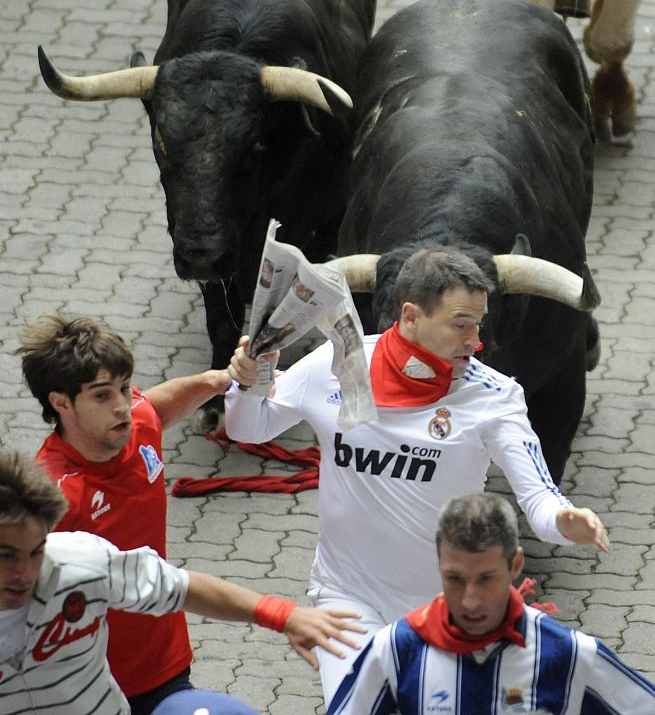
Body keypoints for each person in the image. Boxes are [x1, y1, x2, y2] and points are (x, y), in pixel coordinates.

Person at [224, 246, 610, 704]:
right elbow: (248, 428)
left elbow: (539, 498)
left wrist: (565, 521)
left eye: (478, 325)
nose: (475, 341)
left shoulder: (496, 396)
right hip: (347, 599)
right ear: (411, 316)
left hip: (451, 609)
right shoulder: (333, 365)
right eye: (460, 324)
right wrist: (246, 384)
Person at [15, 312, 363, 714]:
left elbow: (156, 409)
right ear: (61, 403)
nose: (122, 407)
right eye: (101, 395)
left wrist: (223, 379)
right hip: (83, 688)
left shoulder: (134, 423)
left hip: (162, 672)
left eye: (125, 388)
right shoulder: (52, 498)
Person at [0, 449, 365, 715]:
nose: (26, 573)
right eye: (7, 556)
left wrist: (282, 614)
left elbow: (181, 587)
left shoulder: (80, 562)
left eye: (36, 551)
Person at [327, 492, 655, 714]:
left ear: (515, 566)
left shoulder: (568, 655)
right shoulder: (398, 649)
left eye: (486, 579)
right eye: (455, 579)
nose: (470, 600)